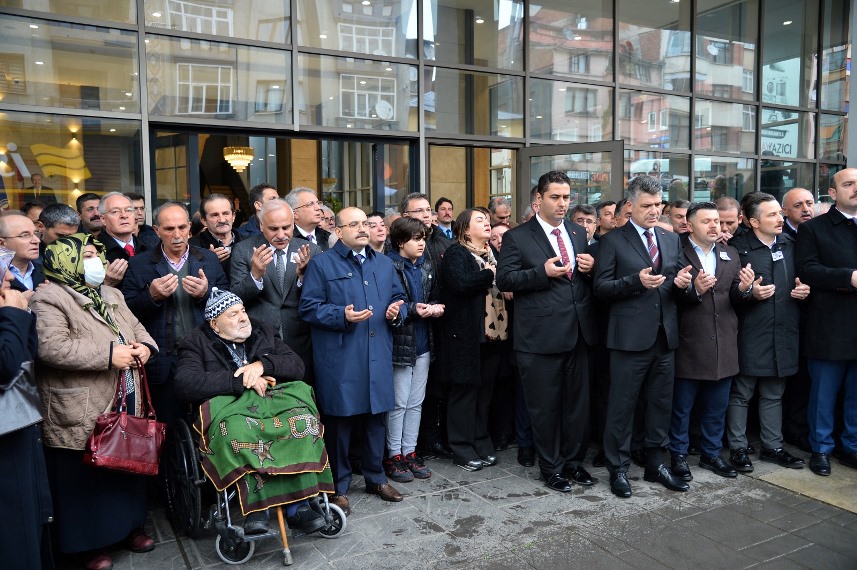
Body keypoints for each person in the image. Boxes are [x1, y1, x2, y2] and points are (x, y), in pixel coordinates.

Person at [31, 234, 159, 570]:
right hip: (80, 403)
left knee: (123, 463)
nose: (97, 262)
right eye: (87, 255)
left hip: (125, 396)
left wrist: (145, 347)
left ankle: (129, 528)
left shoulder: (111, 293)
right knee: (83, 476)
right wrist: (107, 355)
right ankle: (89, 545)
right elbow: (51, 348)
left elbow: (138, 327)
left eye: (96, 255)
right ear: (65, 260)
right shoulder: (49, 297)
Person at [174, 288, 332, 535]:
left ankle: (298, 506)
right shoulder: (196, 342)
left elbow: (296, 366)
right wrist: (239, 379)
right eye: (233, 314)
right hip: (231, 408)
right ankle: (257, 508)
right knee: (239, 432)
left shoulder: (262, 330)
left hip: (274, 403)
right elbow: (185, 382)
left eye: (243, 311)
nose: (243, 317)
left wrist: (262, 365)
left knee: (302, 423)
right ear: (215, 324)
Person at [299, 207, 406, 512]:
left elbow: (401, 299)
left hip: (378, 353)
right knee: (340, 422)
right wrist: (340, 315)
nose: (362, 229)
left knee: (376, 419)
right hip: (342, 356)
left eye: (365, 224)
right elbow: (308, 308)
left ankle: (376, 477)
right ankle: (338, 486)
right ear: (339, 231)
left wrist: (397, 311)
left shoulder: (384, 264)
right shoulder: (322, 264)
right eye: (354, 224)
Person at [593, 175, 694, 498]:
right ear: (630, 206)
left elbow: (676, 283)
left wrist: (683, 286)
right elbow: (601, 289)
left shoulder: (670, 240)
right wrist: (635, 282)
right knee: (621, 408)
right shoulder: (612, 242)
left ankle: (655, 464)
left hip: (665, 337)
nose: (654, 211)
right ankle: (618, 469)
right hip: (628, 339)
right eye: (647, 206)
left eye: (658, 205)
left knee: (660, 405)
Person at [497, 172, 597, 492]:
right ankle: (550, 467)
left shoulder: (578, 232)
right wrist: (541, 272)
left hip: (578, 333)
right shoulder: (518, 236)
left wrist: (591, 270)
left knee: (577, 407)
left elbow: (581, 281)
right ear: (539, 199)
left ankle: (572, 462)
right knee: (545, 407)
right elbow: (506, 281)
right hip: (540, 338)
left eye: (567, 197)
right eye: (556, 197)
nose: (563, 203)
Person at [668, 202, 754, 482]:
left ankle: (712, 453)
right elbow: (669, 297)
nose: (715, 226)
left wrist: (745, 289)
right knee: (682, 408)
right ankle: (678, 455)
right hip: (689, 342)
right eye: (707, 221)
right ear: (690, 226)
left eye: (717, 221)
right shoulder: (675, 251)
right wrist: (693, 290)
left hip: (724, 343)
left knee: (717, 407)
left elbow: (734, 296)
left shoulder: (729, 253)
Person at [122, 202, 228, 426]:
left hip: (204, 357)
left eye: (182, 227)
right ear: (157, 230)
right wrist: (151, 296)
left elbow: (228, 304)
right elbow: (126, 311)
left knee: (207, 426)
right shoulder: (139, 264)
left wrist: (205, 294)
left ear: (190, 228)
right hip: (163, 361)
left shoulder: (208, 260)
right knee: (167, 429)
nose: (177, 235)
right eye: (169, 229)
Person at [727, 192, 808, 473]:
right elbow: (726, 294)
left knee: (775, 392)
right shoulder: (737, 248)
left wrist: (804, 291)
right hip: (751, 331)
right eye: (772, 215)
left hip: (784, 330)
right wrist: (749, 292)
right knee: (742, 392)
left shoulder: (790, 243)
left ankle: (773, 446)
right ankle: (738, 448)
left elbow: (802, 279)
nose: (780, 219)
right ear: (753, 221)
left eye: (779, 213)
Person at [795, 167, 857, 476]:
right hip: (829, 327)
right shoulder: (814, 229)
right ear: (832, 193)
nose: (856, 188)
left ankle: (852, 448)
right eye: (848, 184)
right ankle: (820, 449)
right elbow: (807, 270)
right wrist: (850, 277)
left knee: (856, 397)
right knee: (823, 395)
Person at [439, 208, 505, 472]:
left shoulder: (492, 254)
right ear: (465, 229)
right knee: (464, 393)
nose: (487, 224)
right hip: (464, 335)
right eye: (480, 220)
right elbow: (461, 283)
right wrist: (488, 274)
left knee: (484, 394)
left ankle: (480, 440)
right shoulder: (457, 253)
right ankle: (461, 447)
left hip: (492, 335)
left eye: (488, 220)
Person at [0, 247, 53, 570]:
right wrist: (15, 316)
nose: (9, 278)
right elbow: (6, 365)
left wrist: (21, 316)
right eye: (3, 272)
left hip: (20, 423)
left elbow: (25, 356)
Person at [231, 199, 321, 383]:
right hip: (260, 341)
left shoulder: (311, 250)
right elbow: (235, 298)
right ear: (261, 225)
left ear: (293, 224)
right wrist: (254, 276)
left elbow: (319, 298)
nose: (281, 235)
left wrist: (304, 277)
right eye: (273, 229)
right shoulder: (244, 250)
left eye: (286, 227)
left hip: (301, 339)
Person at [384, 217, 444, 482]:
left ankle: (410, 451)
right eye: (415, 239)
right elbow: (392, 304)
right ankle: (394, 454)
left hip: (423, 341)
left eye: (423, 239)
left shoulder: (427, 266)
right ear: (399, 241)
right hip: (400, 342)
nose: (421, 244)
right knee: (398, 403)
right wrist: (413, 309)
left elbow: (435, 296)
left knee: (416, 402)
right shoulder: (389, 266)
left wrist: (436, 306)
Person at [400, 193, 453, 459]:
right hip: (406, 332)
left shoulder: (443, 243)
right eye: (418, 211)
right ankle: (403, 449)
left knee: (432, 391)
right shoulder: (395, 253)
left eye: (427, 210)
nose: (425, 215)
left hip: (437, 326)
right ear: (405, 217)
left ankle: (430, 441)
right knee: (403, 399)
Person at [98, 192, 147, 288]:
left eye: (129, 210)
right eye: (115, 212)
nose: (124, 215)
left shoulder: (148, 248)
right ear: (103, 219)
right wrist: (106, 284)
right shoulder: (94, 252)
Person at [189, 193, 243, 279]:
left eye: (225, 213)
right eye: (215, 215)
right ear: (204, 221)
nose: (222, 220)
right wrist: (209, 262)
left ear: (233, 216)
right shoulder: (191, 247)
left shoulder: (250, 244)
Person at [0, 212, 43, 293]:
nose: (37, 240)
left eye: (36, 233)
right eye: (25, 235)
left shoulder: (47, 272)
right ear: (2, 243)